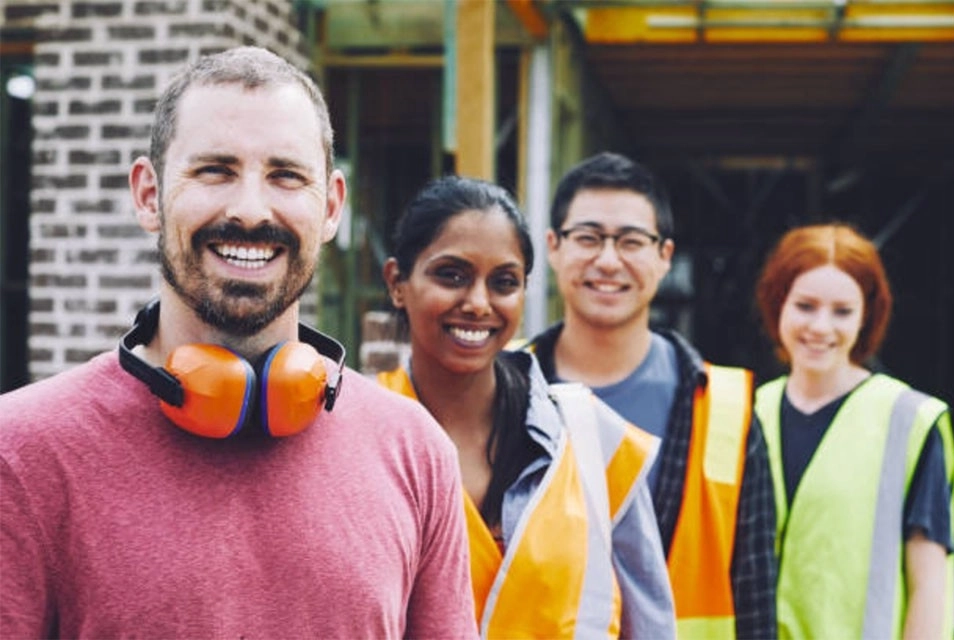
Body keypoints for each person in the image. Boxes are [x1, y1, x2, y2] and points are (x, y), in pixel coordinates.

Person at [0, 46, 477, 639]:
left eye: (285, 175)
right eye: (215, 170)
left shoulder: (415, 452)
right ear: (149, 196)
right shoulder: (19, 452)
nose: (251, 210)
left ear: (329, 207)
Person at [377, 175, 676, 639]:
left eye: (503, 282)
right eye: (451, 275)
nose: (478, 303)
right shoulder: (354, 438)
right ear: (397, 282)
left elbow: (651, 626)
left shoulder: (591, 439)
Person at [525, 152, 777, 639]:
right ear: (553, 247)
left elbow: (754, 597)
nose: (608, 259)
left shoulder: (727, 409)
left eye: (631, 241)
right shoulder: (500, 387)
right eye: (588, 237)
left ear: (664, 257)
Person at [753, 222, 954, 639]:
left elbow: (930, 587)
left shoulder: (910, 419)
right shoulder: (745, 412)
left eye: (842, 311)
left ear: (866, 318)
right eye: (805, 305)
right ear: (779, 305)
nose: (821, 327)